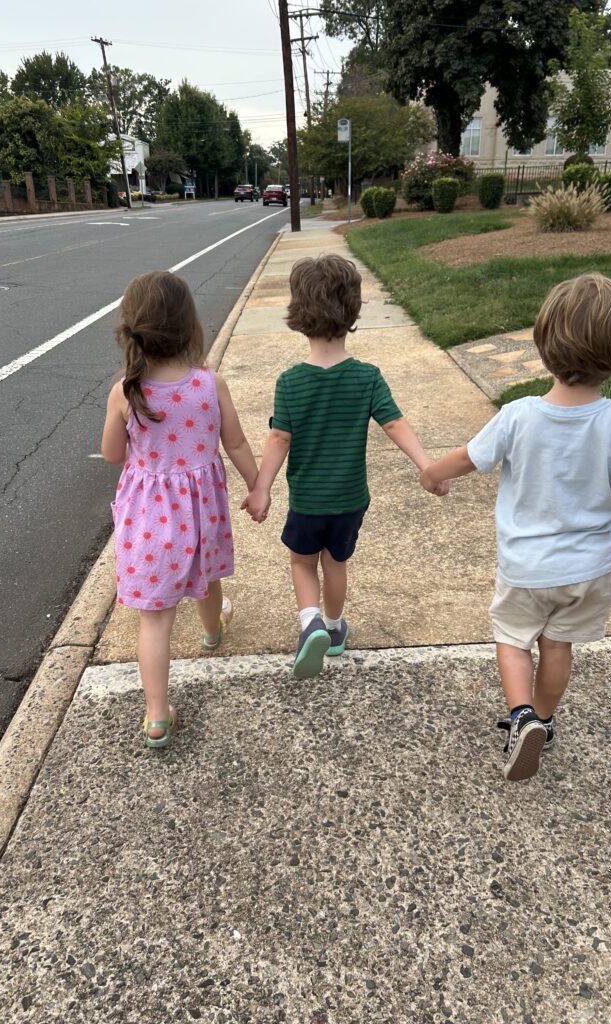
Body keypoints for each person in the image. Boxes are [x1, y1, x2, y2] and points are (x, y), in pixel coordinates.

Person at [420, 272, 611, 782]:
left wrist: (432, 474)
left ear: (542, 344)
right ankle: (543, 719)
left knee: (513, 639)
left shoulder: (518, 416)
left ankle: (521, 717)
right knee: (557, 646)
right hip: (590, 569)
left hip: (526, 567)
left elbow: (469, 458)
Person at [244, 254, 447, 678]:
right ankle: (334, 630)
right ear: (353, 309)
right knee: (336, 562)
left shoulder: (291, 382)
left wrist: (261, 487)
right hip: (350, 500)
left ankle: (309, 623)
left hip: (308, 502)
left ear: (298, 314)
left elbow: (280, 438)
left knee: (302, 562)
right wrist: (428, 466)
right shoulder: (367, 377)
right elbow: (394, 423)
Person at [101, 271, 258, 748]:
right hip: (202, 512)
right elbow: (235, 442)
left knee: (155, 618)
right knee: (207, 578)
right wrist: (258, 487)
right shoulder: (211, 385)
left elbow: (111, 454)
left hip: (149, 518)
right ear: (191, 326)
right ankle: (212, 633)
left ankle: (156, 715)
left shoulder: (126, 391)